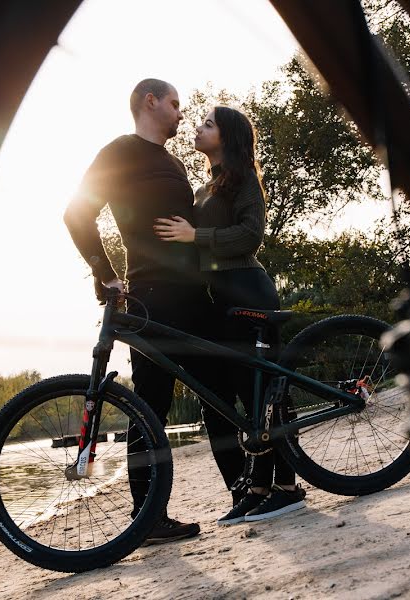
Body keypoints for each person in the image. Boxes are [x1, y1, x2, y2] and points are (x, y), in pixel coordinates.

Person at [64, 78, 207, 544]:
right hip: (152, 296)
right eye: (174, 104)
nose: (181, 113)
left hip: (199, 293)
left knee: (224, 387)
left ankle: (254, 493)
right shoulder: (119, 153)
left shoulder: (175, 162)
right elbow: (77, 214)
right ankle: (148, 520)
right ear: (150, 102)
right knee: (151, 407)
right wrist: (102, 272)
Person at [154, 106, 306, 525]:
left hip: (249, 289)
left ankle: (289, 488)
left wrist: (195, 234)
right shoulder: (205, 188)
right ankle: (258, 488)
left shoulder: (243, 179)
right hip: (222, 298)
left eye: (208, 124)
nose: (199, 129)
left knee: (268, 392)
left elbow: (251, 234)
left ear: (227, 136)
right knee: (245, 393)